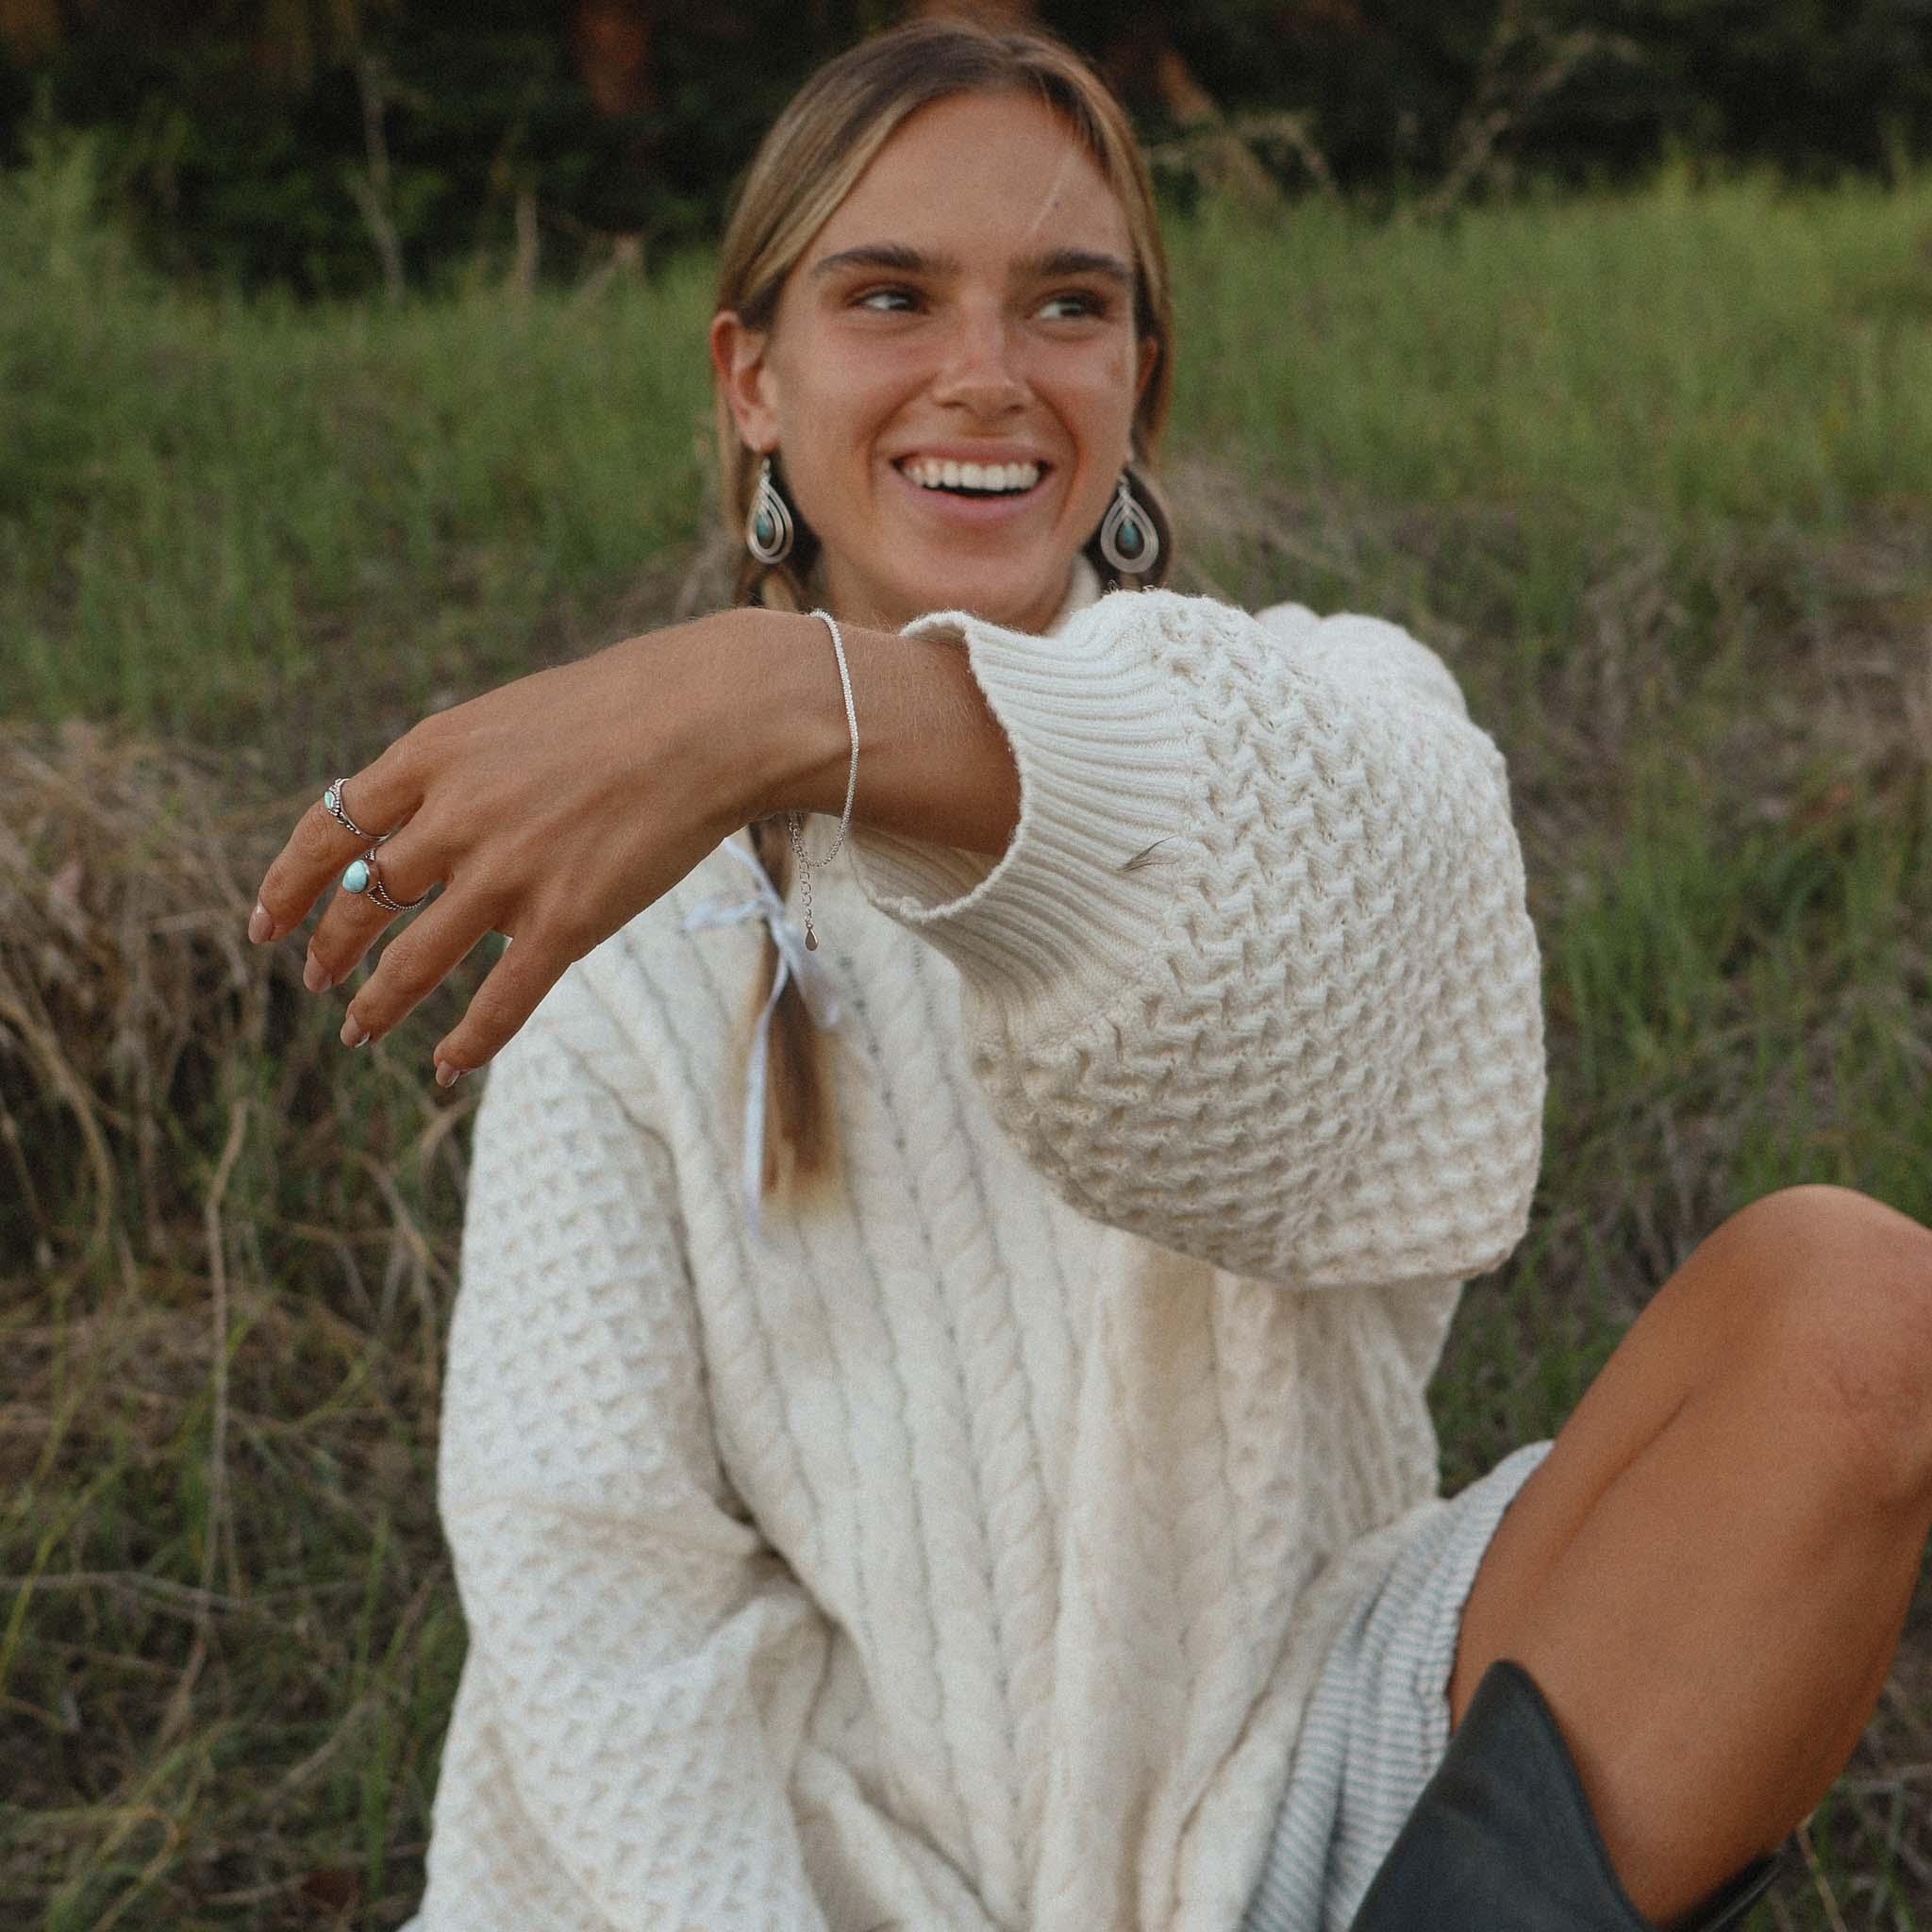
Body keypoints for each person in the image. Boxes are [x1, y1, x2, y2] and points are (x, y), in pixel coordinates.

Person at [248, 20, 1932, 1932]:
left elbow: (1288, 951)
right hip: (852, 1865)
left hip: (1307, 1772)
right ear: (752, 379)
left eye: (1069, 304)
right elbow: (596, 1591)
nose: (988, 372)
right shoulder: (633, 927)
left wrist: (793, 697)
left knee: (1850, 1303)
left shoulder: (1323, 709)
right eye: (890, 296)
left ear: (1139, 375)